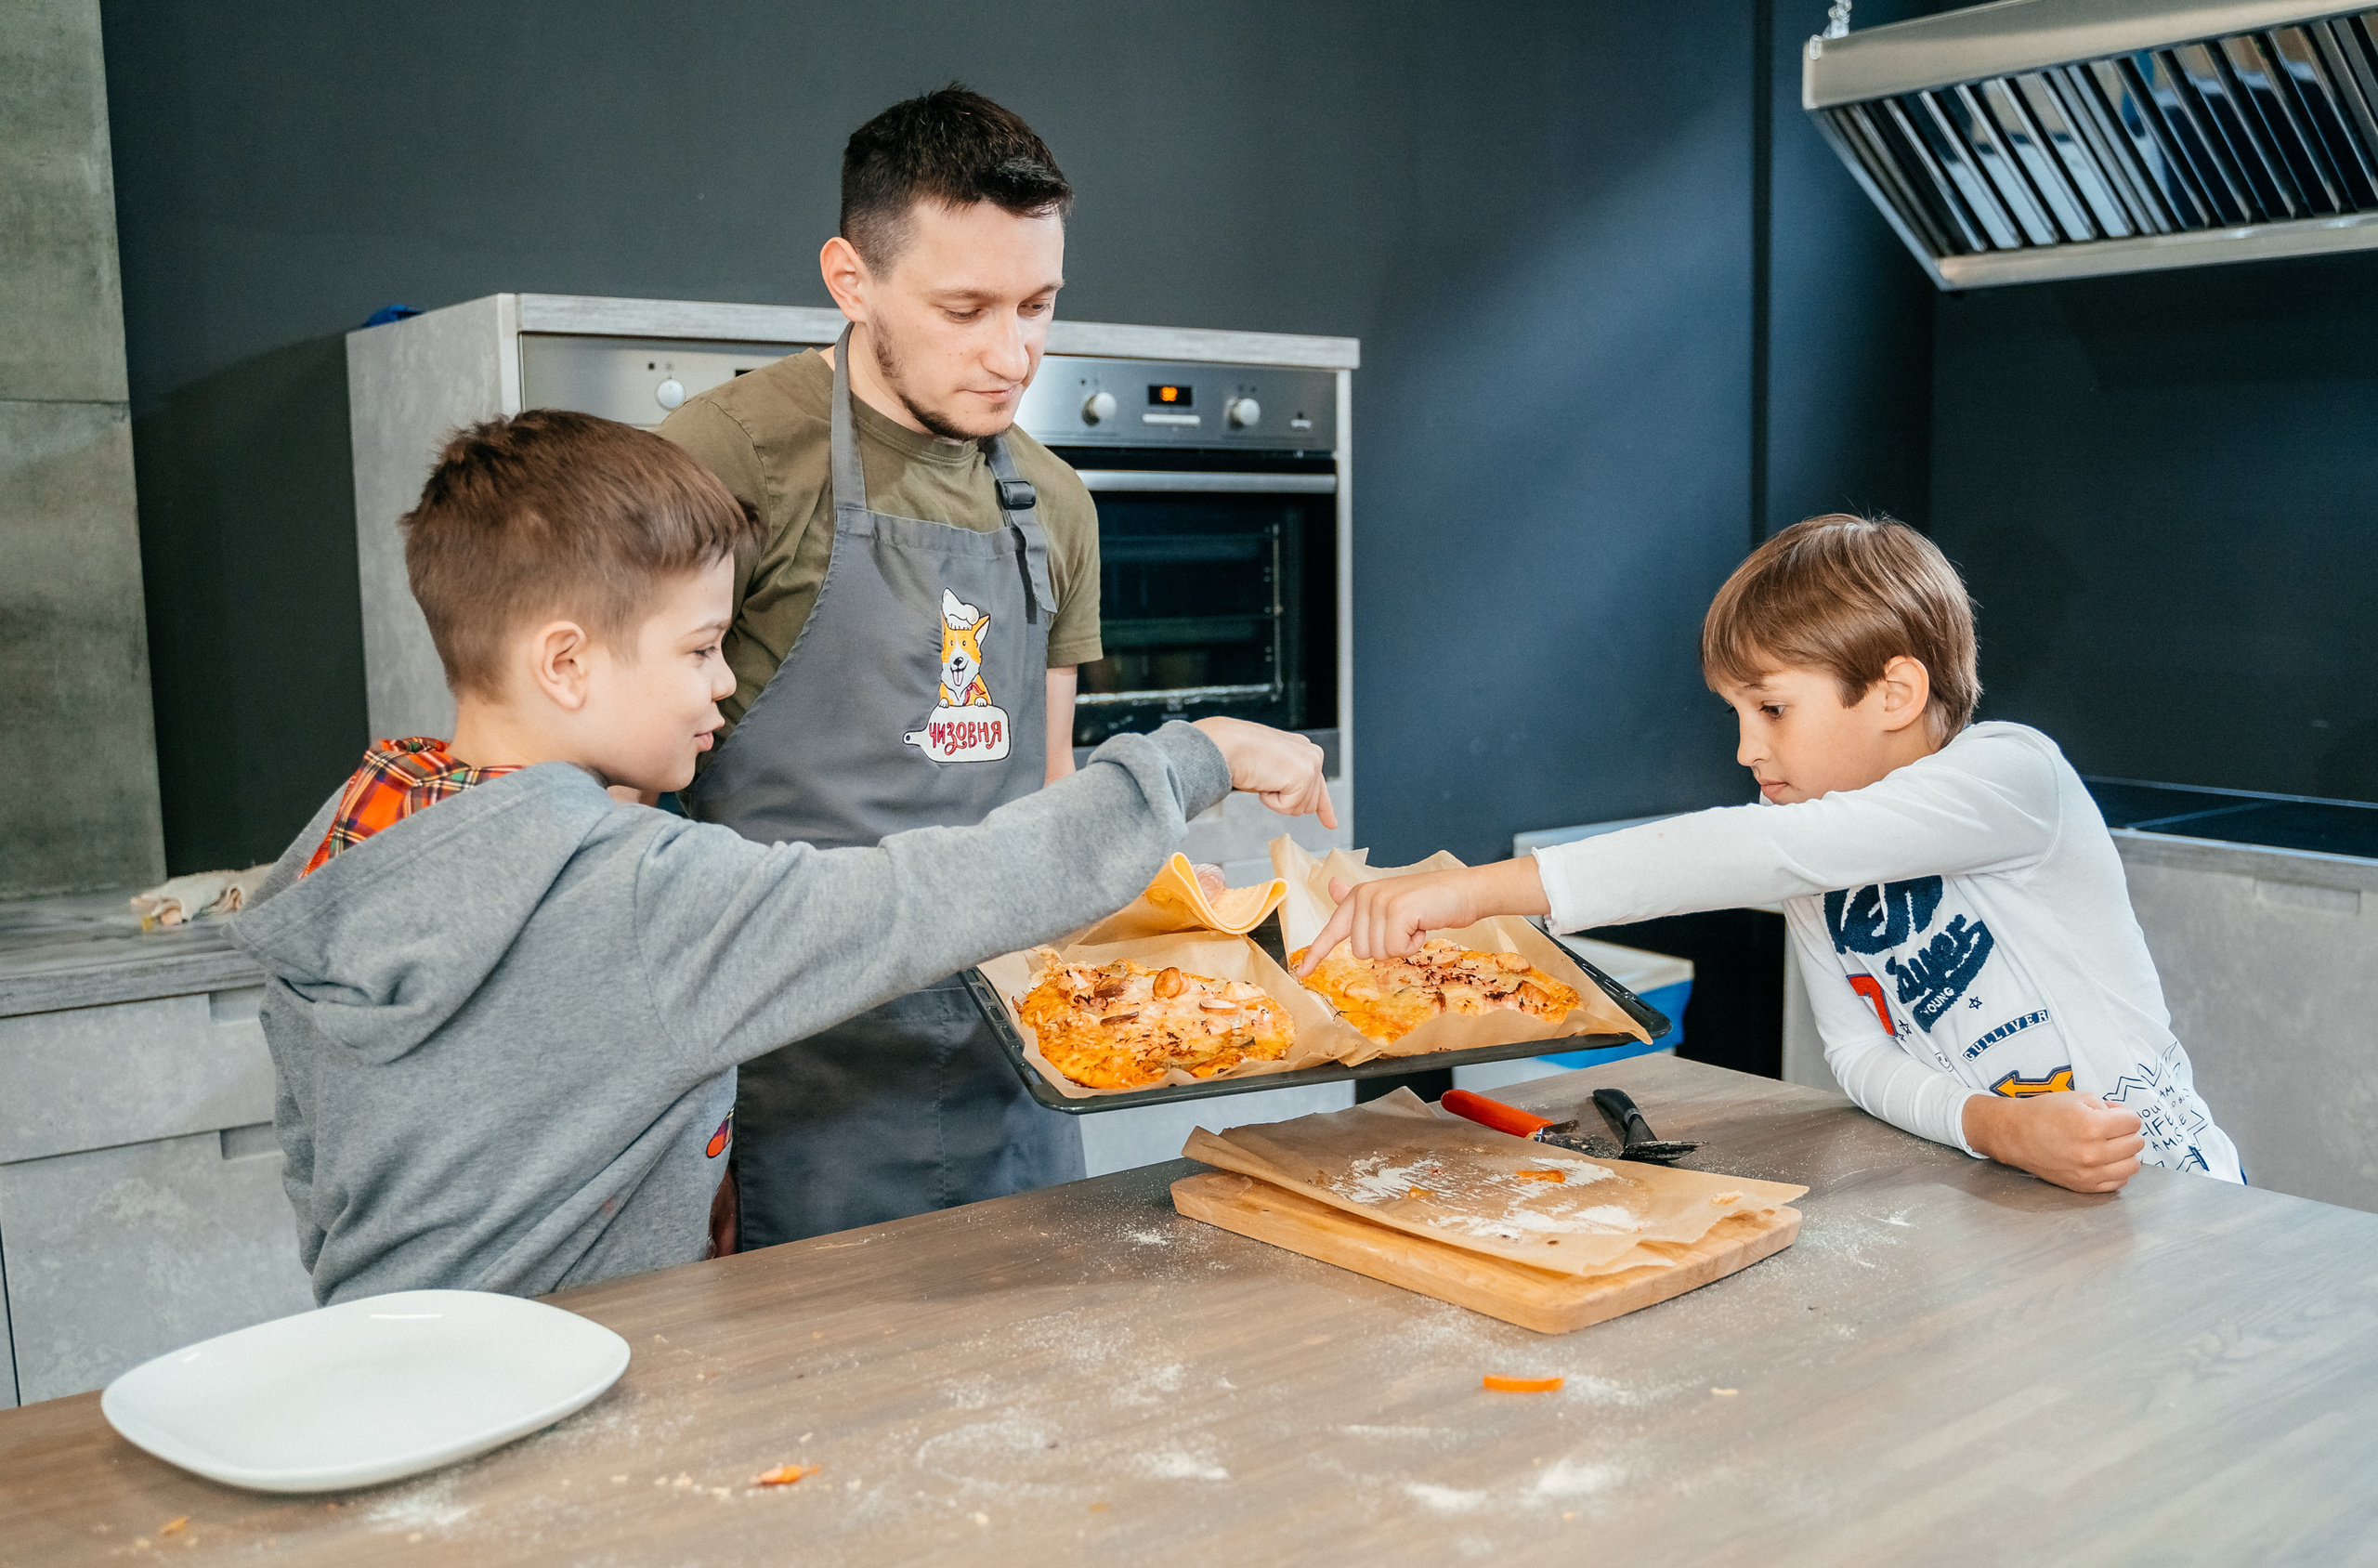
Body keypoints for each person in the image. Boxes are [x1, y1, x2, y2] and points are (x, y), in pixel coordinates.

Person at [227, 410, 1331, 1305]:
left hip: (384, 1366)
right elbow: (928, 897)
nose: (722, 683)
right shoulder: (634, 898)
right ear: (564, 662)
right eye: (701, 648)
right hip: (569, 1395)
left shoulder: (347, 843)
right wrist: (1196, 757)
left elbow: (314, 1170)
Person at [1300, 514, 2241, 1195]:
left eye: (1773, 710)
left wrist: (1476, 892)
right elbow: (1859, 1058)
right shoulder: (1818, 866)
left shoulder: (2013, 778)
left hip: (2170, 1190)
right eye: (1736, 716)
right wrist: (1994, 1127)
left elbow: (1759, 850)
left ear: (1894, 691)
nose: (1747, 749)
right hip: (2012, 1186)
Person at [655, 85, 1107, 1248]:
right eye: (964, 308)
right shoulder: (728, 460)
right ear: (850, 280)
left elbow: (1045, 791)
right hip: (787, 1094)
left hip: (1014, 1069)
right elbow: (614, 805)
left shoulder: (1053, 502)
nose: (1013, 353)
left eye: (1039, 304)